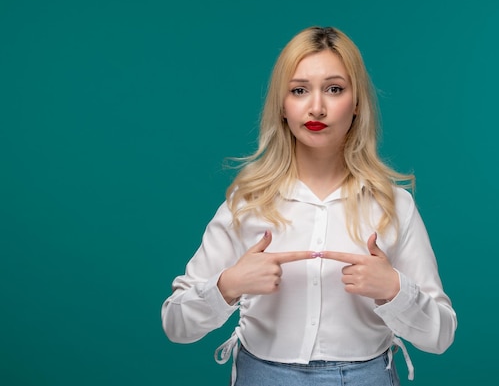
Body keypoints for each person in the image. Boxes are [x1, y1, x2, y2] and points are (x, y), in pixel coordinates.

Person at [161, 26, 457, 386]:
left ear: (358, 102)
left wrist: (395, 290)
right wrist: (229, 284)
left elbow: (440, 336)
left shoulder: (394, 205)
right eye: (299, 90)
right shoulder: (248, 202)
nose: (316, 107)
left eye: (334, 89)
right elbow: (176, 324)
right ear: (282, 106)